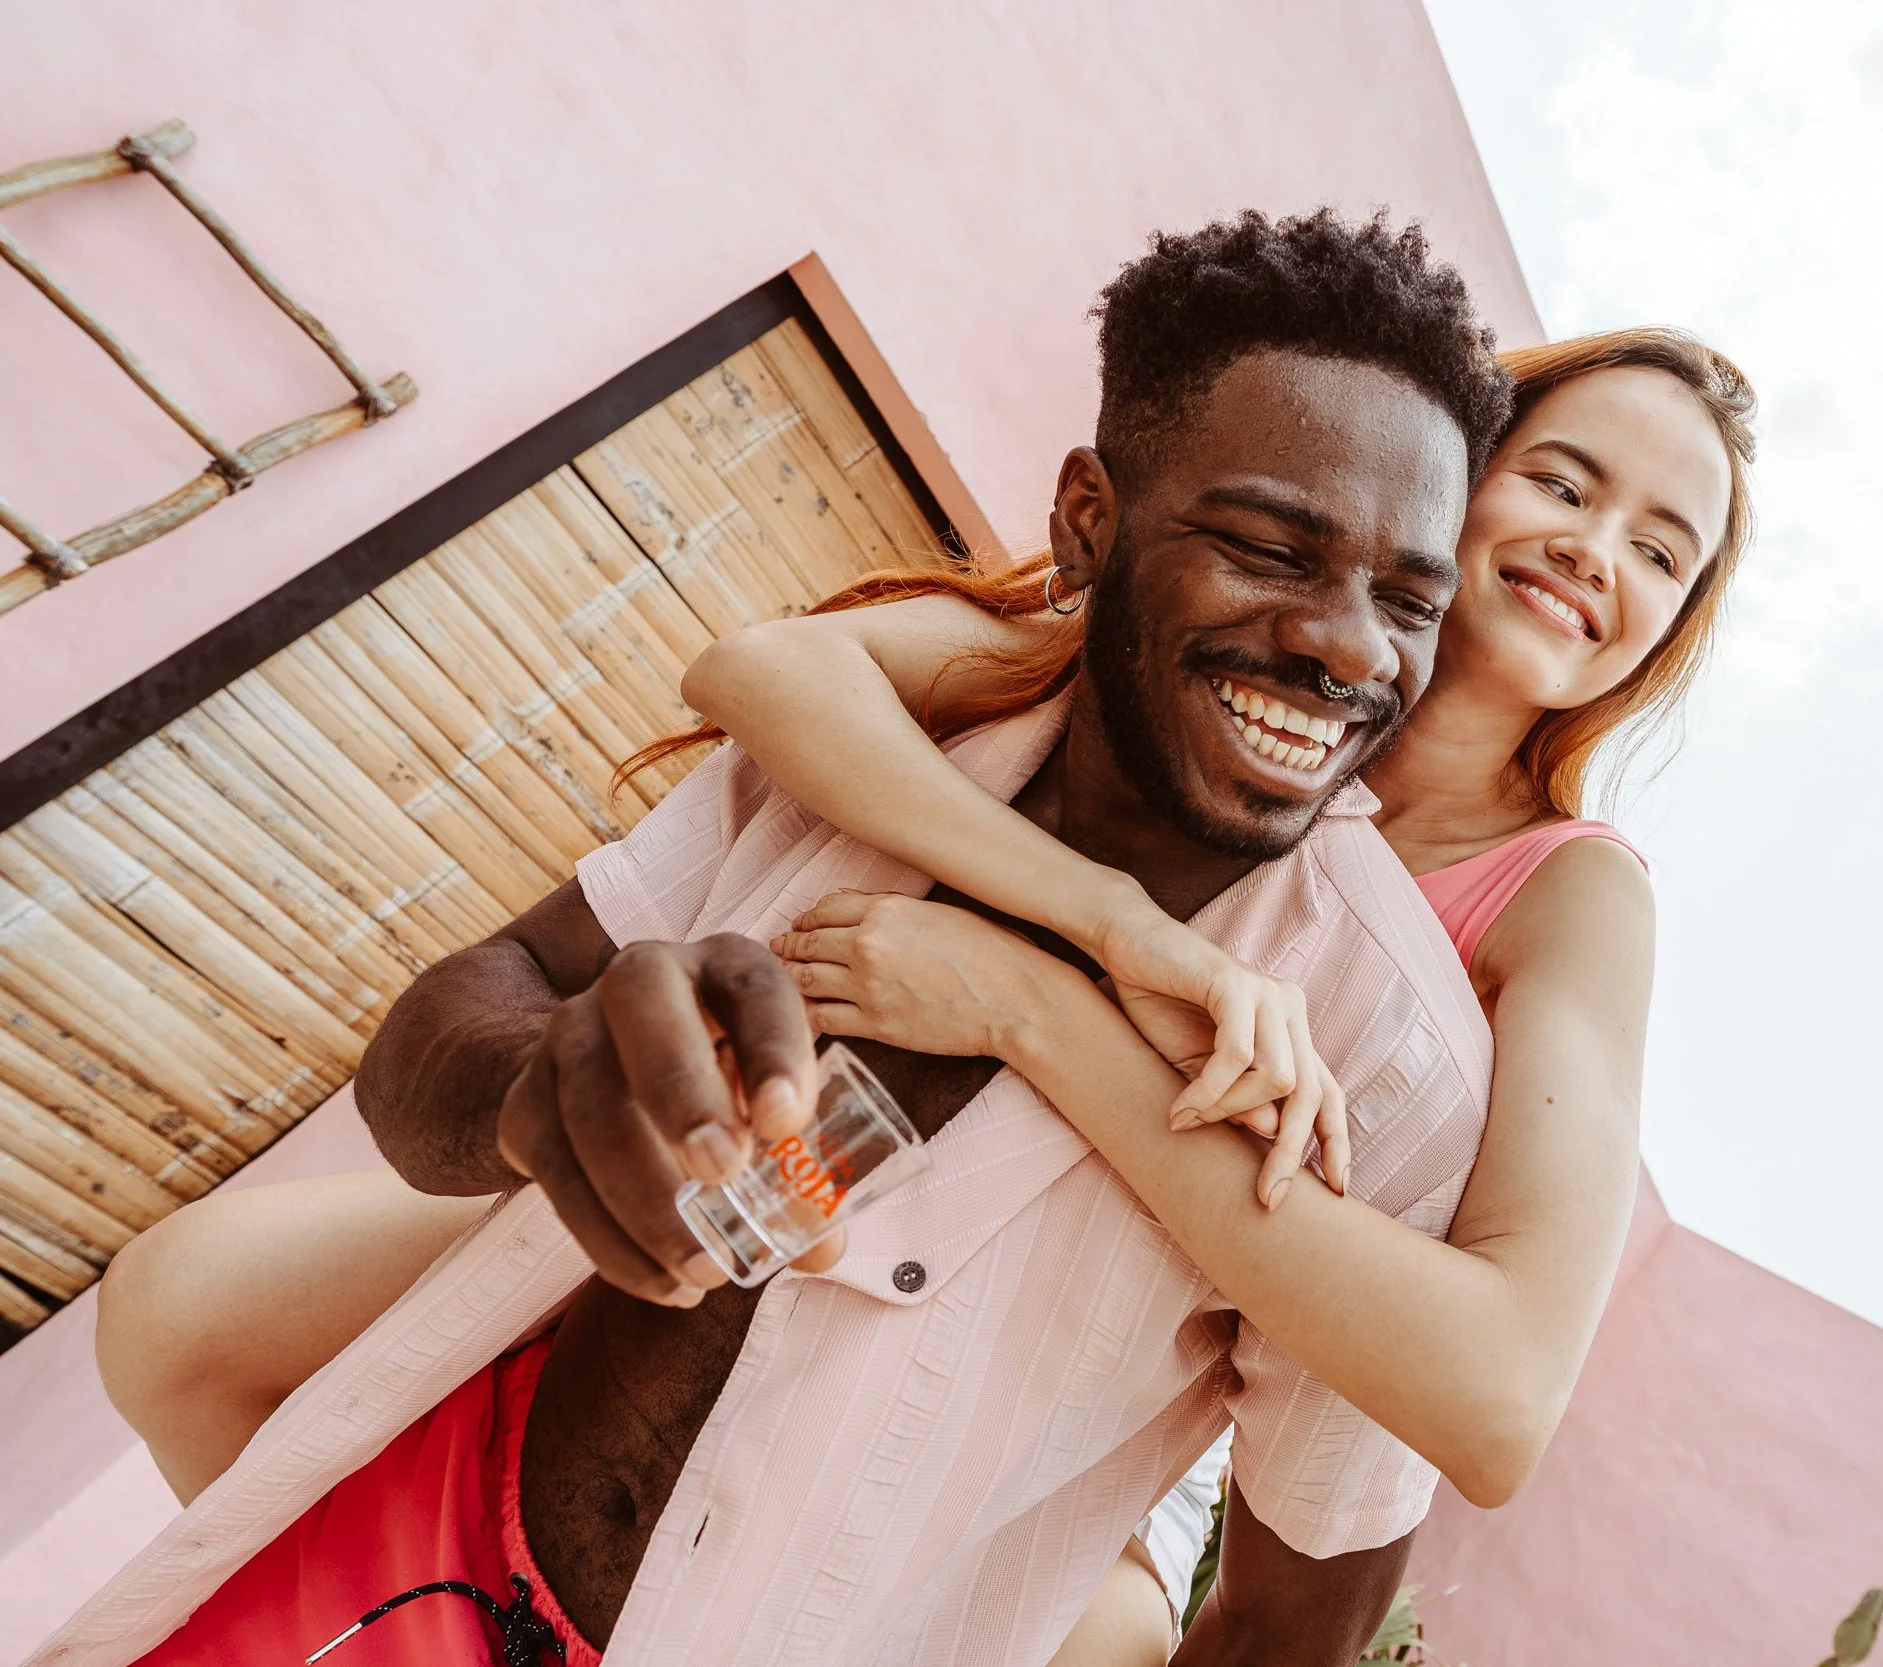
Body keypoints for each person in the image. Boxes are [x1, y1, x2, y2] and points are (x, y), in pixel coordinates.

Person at [94, 312, 1758, 1666]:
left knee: (1066, 1595)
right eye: (1562, 482)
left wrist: (1033, 1006)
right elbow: (765, 675)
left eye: (1660, 552)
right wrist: (1113, 921)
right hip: (813, 1213)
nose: (1592, 549)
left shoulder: (1523, 927)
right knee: (202, 1303)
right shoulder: (1094, 665)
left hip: (1105, 1394)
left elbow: (1482, 1388)